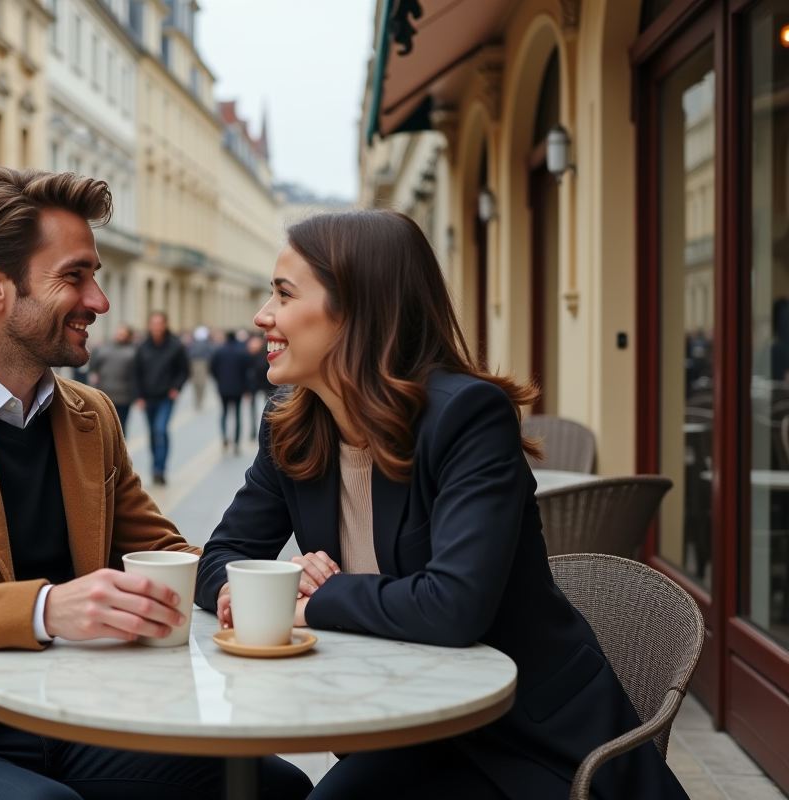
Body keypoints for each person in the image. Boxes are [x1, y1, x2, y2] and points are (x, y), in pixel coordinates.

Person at [0, 167, 311, 800]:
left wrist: (258, 583)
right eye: (74, 276)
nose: (99, 300)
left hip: (69, 714)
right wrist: (45, 610)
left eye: (93, 276)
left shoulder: (90, 415)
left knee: (273, 785)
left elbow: (164, 553)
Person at [195, 209, 689, 800]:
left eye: (283, 293)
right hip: (405, 723)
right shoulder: (293, 427)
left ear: (356, 308)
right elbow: (219, 557)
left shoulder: (466, 417)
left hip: (524, 742)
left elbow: (454, 606)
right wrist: (268, 584)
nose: (262, 315)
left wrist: (321, 596)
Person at [131, 311, 188, 485]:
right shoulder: (142, 347)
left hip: (166, 397)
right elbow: (135, 373)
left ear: (165, 325)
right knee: (152, 434)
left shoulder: (176, 346)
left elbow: (184, 370)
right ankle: (155, 466)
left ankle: (159, 470)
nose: (156, 327)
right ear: (149, 326)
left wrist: (176, 387)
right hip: (148, 398)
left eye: (159, 323)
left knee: (160, 430)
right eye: (153, 323)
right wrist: (138, 396)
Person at [88, 323, 138, 432]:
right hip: (104, 394)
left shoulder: (134, 352)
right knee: (105, 426)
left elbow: (136, 375)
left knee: (120, 426)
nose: (119, 334)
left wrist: (136, 395)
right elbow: (93, 366)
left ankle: (120, 448)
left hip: (124, 396)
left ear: (129, 335)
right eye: (118, 332)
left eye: (122, 333)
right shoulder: (103, 349)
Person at [209, 331, 251, 453]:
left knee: (224, 413)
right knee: (238, 415)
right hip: (238, 388)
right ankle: (237, 442)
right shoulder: (242, 353)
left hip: (223, 388)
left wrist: (219, 380)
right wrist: (247, 388)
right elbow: (246, 372)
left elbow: (212, 369)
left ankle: (224, 437)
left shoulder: (219, 352)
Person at [247, 333, 274, 440]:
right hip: (264, 385)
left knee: (266, 409)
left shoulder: (265, 352)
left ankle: (260, 431)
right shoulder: (257, 353)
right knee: (263, 409)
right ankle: (258, 431)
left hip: (265, 385)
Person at [187, 325, 214, 409]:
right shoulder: (194, 344)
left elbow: (210, 354)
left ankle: (200, 401)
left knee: (201, 383)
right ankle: (197, 400)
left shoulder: (207, 344)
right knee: (195, 383)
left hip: (203, 363)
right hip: (194, 363)